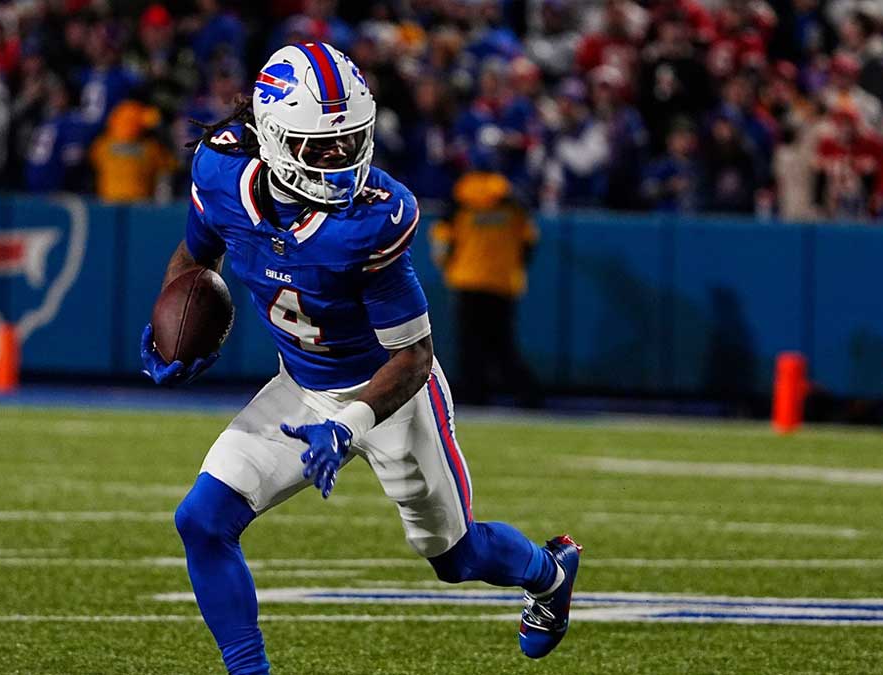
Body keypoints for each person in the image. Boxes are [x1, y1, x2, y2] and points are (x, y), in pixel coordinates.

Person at [138, 43, 581, 675]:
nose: (340, 159)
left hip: (391, 396)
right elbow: (195, 257)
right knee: (202, 520)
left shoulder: (373, 218)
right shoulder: (221, 173)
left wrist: (348, 425)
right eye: (321, 146)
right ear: (271, 135)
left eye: (350, 141)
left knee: (453, 557)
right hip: (303, 389)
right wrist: (172, 327)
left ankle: (548, 571)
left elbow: (415, 357)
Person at [430, 168, 542, 407]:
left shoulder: (459, 198)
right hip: (503, 281)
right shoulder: (512, 199)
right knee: (503, 344)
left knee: (470, 344)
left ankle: (475, 395)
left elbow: (443, 241)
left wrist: (447, 267)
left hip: (467, 279)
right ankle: (527, 394)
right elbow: (529, 241)